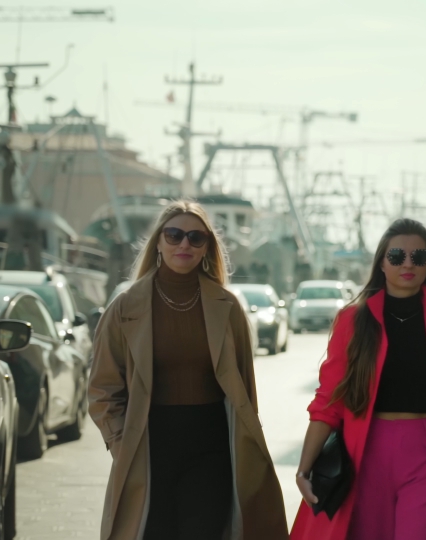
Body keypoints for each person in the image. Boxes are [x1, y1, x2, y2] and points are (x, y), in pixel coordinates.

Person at [88, 200, 289, 540]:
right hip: (147, 446)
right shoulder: (125, 307)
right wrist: (120, 443)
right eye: (175, 235)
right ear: (159, 242)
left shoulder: (227, 307)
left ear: (207, 247)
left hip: (211, 448)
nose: (185, 244)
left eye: (196, 238)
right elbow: (103, 388)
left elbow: (244, 390)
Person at [290, 218, 426, 540]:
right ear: (381, 263)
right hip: (365, 453)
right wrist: (304, 468)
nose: (408, 264)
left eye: (419, 257)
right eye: (397, 256)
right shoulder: (354, 319)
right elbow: (329, 400)